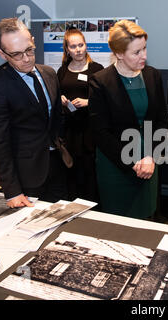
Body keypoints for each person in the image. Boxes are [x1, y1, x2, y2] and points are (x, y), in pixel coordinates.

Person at [88, 20, 168, 219]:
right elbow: (101, 132)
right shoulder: (101, 82)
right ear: (119, 54)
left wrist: (151, 157)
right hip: (116, 166)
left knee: (146, 219)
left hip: (148, 162)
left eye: (144, 49)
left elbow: (162, 121)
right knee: (117, 222)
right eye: (136, 52)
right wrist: (131, 162)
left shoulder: (152, 76)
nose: (144, 56)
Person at [0, 18, 67, 208]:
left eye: (29, 49)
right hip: (26, 176)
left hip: (57, 166)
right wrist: (12, 190)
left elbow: (56, 119)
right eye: (17, 54)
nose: (27, 58)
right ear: (3, 54)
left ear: (33, 40)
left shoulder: (49, 73)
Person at [57, 28, 104, 203]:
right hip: (69, 131)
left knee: (89, 172)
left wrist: (88, 102)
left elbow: (106, 100)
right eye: (73, 46)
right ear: (67, 49)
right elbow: (57, 95)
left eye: (81, 45)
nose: (78, 50)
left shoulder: (97, 70)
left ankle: (92, 210)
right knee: (71, 171)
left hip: (89, 131)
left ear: (86, 45)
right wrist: (60, 98)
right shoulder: (62, 71)